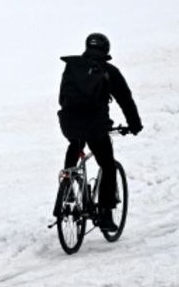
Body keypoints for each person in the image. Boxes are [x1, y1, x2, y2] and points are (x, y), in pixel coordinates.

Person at [54, 32, 143, 226]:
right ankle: (105, 214)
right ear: (106, 50)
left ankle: (67, 184)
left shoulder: (72, 67)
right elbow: (125, 101)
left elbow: (63, 96)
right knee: (108, 166)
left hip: (69, 122)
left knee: (75, 143)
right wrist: (134, 124)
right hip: (95, 125)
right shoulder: (109, 71)